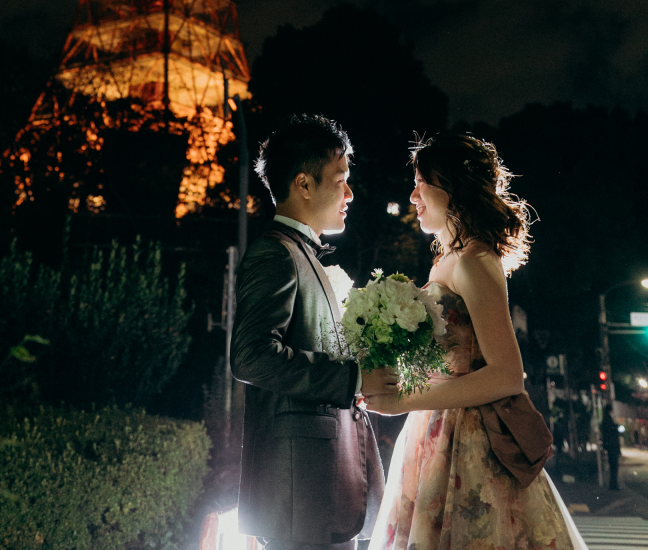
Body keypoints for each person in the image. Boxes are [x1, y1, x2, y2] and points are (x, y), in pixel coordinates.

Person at [364, 132, 587, 550]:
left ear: (452, 187)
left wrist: (403, 402)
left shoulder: (475, 261)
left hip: (469, 442)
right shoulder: (449, 260)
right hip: (434, 432)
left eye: (421, 181)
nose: (413, 194)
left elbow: (507, 376)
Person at [230, 114, 389, 549]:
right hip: (301, 491)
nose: (350, 193)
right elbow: (251, 355)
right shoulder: (276, 254)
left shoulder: (302, 254)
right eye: (341, 180)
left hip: (322, 484)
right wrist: (352, 378)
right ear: (303, 184)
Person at [600, 405, 621, 490]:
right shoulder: (608, 420)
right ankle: (613, 484)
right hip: (613, 447)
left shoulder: (605, 419)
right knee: (614, 466)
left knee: (613, 466)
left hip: (610, 447)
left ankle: (613, 484)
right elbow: (612, 432)